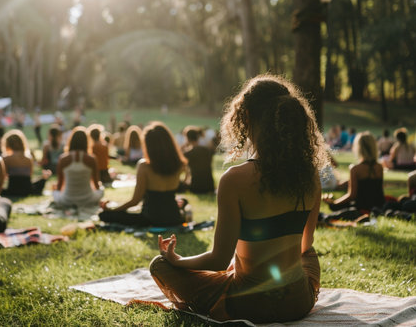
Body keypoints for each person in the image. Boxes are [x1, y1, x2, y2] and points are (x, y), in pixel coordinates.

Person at [149, 74, 325, 324]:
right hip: (299, 301)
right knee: (308, 255)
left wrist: (177, 259)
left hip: (248, 304)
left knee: (160, 266)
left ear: (246, 118)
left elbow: (219, 259)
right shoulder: (310, 175)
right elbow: (305, 247)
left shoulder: (235, 179)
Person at [99, 121, 188, 227]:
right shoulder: (179, 164)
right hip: (174, 217)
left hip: (150, 218)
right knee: (184, 201)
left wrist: (113, 210)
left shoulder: (144, 166)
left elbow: (135, 201)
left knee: (104, 215)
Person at [323, 131, 385, 213]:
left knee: (333, 207)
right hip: (378, 205)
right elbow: (379, 191)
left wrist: (334, 203)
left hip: (361, 206)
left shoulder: (355, 169)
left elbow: (352, 195)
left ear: (359, 148)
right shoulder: (379, 167)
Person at [53, 127, 103, 208]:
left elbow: (59, 185)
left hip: (67, 200)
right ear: (86, 142)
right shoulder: (91, 159)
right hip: (88, 199)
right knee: (101, 190)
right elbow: (96, 184)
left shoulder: (63, 159)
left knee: (54, 189)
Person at [0, 129, 47, 197]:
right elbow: (29, 175)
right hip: (27, 190)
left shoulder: (6, 158)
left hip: (13, 190)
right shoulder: (29, 158)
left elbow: (3, 176)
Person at [181, 126, 215, 194]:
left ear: (187, 138)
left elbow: (183, 170)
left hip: (195, 188)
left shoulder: (188, 153)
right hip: (209, 187)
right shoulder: (207, 150)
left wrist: (184, 146)